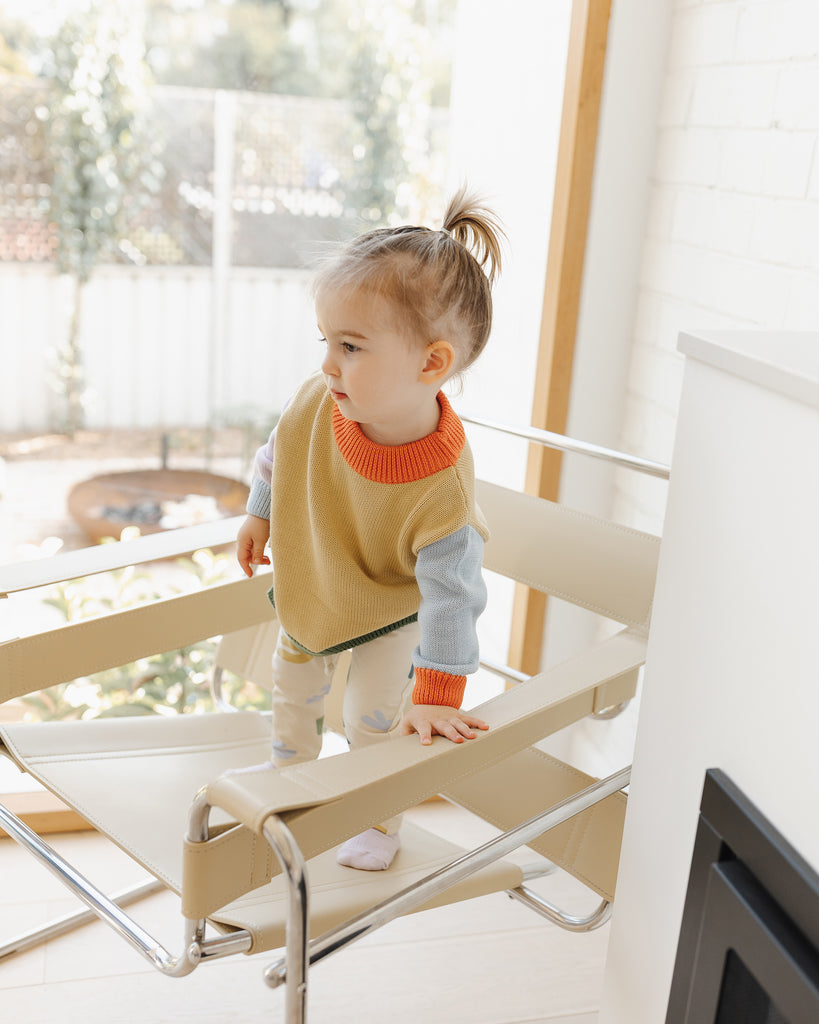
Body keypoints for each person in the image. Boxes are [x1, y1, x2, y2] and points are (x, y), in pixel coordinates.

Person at [236, 187, 504, 871]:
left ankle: (376, 819)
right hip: (319, 582)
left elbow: (453, 597)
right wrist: (260, 511)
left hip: (392, 609)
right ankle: (287, 781)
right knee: (293, 692)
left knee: (371, 719)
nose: (328, 363)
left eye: (351, 346)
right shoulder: (320, 398)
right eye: (326, 341)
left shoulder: (442, 491)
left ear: (432, 363)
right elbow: (278, 451)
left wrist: (437, 697)